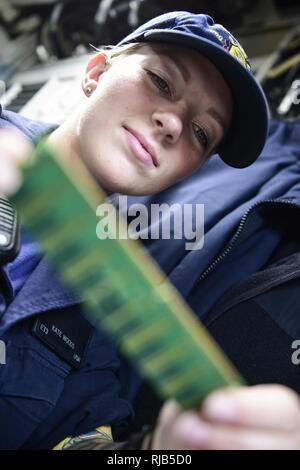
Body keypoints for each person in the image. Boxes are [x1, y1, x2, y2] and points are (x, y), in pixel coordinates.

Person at [0, 11, 300, 450]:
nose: (174, 124)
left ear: (188, 171)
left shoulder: (109, 303)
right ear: (95, 73)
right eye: (161, 81)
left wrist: (159, 450)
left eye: (202, 132)